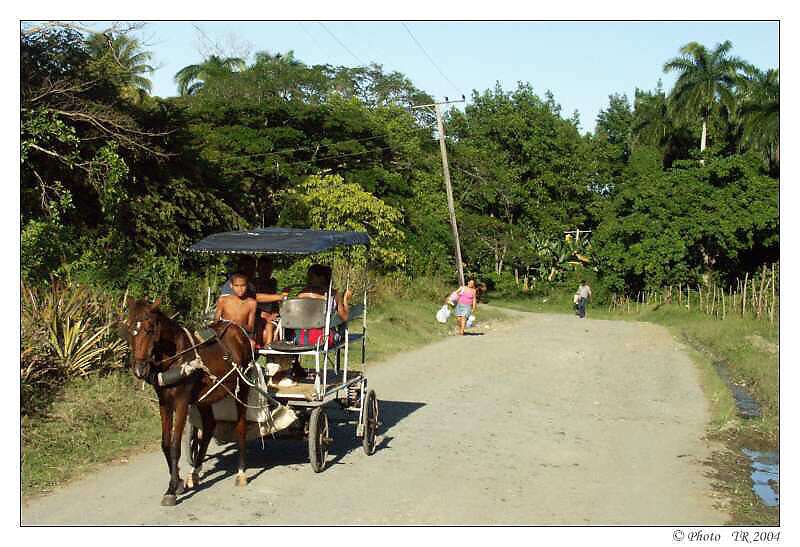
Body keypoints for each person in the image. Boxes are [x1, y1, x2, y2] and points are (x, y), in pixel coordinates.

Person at [253, 256, 280, 345]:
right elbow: (251, 301)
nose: (266, 272)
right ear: (258, 270)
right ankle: (257, 345)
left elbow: (274, 303)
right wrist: (262, 314)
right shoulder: (254, 283)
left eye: (269, 269)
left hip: (270, 316)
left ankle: (269, 347)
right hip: (258, 315)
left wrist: (275, 313)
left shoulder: (272, 283)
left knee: (270, 326)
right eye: (263, 268)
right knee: (259, 323)